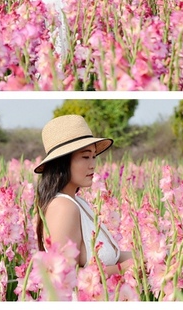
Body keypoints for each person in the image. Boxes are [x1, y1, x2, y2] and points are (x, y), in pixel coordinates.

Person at [33, 114, 135, 276]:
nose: (93, 165)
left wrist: (149, 258)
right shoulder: (64, 207)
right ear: (62, 163)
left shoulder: (78, 202)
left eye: (94, 156)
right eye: (85, 157)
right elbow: (64, 276)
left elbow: (113, 257)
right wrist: (120, 270)